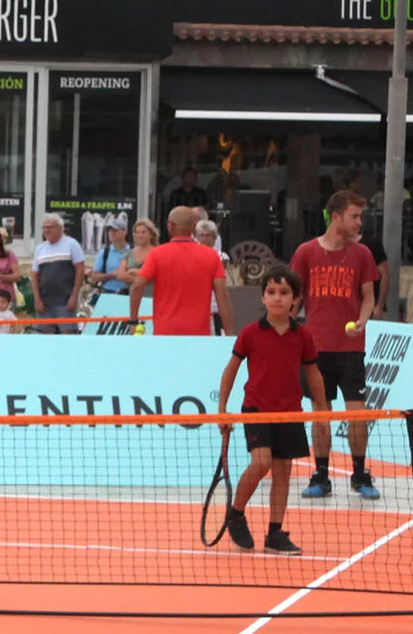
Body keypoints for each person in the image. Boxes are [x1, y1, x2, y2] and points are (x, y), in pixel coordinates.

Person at [214, 268, 328, 554]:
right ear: (263, 297)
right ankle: (236, 514)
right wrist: (222, 409)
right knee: (261, 462)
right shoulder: (250, 333)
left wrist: (323, 410)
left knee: (283, 472)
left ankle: (275, 533)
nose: (277, 299)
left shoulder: (303, 336)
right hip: (256, 409)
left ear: (295, 299)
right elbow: (231, 370)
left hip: (289, 412)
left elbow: (314, 374)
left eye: (284, 293)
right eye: (271, 293)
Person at [291, 190, 381, 500]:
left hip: (351, 349)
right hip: (317, 348)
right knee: (321, 413)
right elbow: (295, 295)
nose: (359, 222)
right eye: (355, 216)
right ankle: (321, 474)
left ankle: (359, 473)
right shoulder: (305, 252)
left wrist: (363, 320)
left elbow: (368, 296)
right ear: (337, 216)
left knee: (357, 413)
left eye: (360, 216)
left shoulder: (363, 254)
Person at [128, 205, 231, 338]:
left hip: (165, 331)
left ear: (170, 226)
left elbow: (137, 286)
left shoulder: (157, 254)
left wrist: (133, 320)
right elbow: (222, 297)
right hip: (199, 333)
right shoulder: (212, 256)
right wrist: (229, 334)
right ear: (194, 228)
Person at [30, 216, 81, 334]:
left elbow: (80, 270)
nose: (47, 230)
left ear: (60, 228)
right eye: (44, 228)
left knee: (68, 337)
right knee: (46, 340)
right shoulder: (39, 248)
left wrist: (74, 296)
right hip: (45, 302)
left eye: (50, 227)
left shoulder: (72, 244)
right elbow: (34, 276)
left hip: (66, 301)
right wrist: (37, 299)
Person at [84, 222, 133, 300]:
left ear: (125, 232)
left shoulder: (134, 251)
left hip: (131, 294)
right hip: (108, 293)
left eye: (115, 230)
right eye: (110, 230)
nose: (112, 233)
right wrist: (112, 275)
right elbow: (94, 276)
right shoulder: (104, 252)